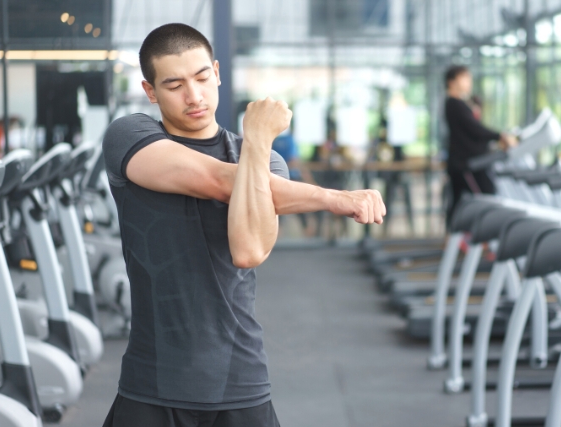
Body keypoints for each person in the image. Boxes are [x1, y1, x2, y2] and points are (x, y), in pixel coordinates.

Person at [101, 23, 386, 427]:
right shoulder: (130, 136)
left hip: (239, 381)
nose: (194, 95)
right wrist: (332, 196)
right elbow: (218, 180)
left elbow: (249, 250)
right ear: (151, 92)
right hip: (152, 384)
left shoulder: (265, 161)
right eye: (175, 84)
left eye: (202, 77)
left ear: (217, 72)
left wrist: (255, 146)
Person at [444, 65, 516, 227]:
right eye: (465, 78)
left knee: (459, 202)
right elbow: (474, 129)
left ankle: (464, 239)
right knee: (485, 197)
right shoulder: (454, 104)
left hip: (464, 162)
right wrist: (499, 136)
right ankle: (480, 238)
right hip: (465, 164)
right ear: (452, 82)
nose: (469, 81)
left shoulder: (459, 103)